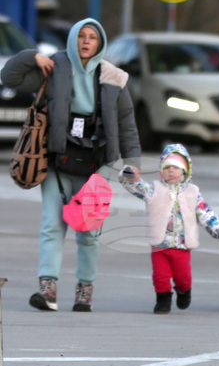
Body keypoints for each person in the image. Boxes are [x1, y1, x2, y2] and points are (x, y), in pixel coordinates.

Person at [1, 18, 141, 312]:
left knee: (88, 231)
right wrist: (31, 56)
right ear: (73, 39)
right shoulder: (54, 68)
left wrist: (132, 163)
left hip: (97, 164)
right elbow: (9, 77)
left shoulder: (115, 77)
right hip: (56, 159)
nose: (86, 41)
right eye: (82, 36)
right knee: (52, 225)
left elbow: (127, 125)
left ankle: (84, 291)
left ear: (100, 43)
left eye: (93, 37)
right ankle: (47, 290)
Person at [119, 143, 219, 314]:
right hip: (160, 244)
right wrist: (129, 176)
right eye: (167, 167)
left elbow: (205, 212)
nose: (171, 171)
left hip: (182, 245)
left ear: (185, 170)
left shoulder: (193, 192)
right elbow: (138, 187)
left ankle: (184, 291)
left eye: (176, 167)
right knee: (160, 276)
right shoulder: (155, 190)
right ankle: (163, 300)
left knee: (183, 278)